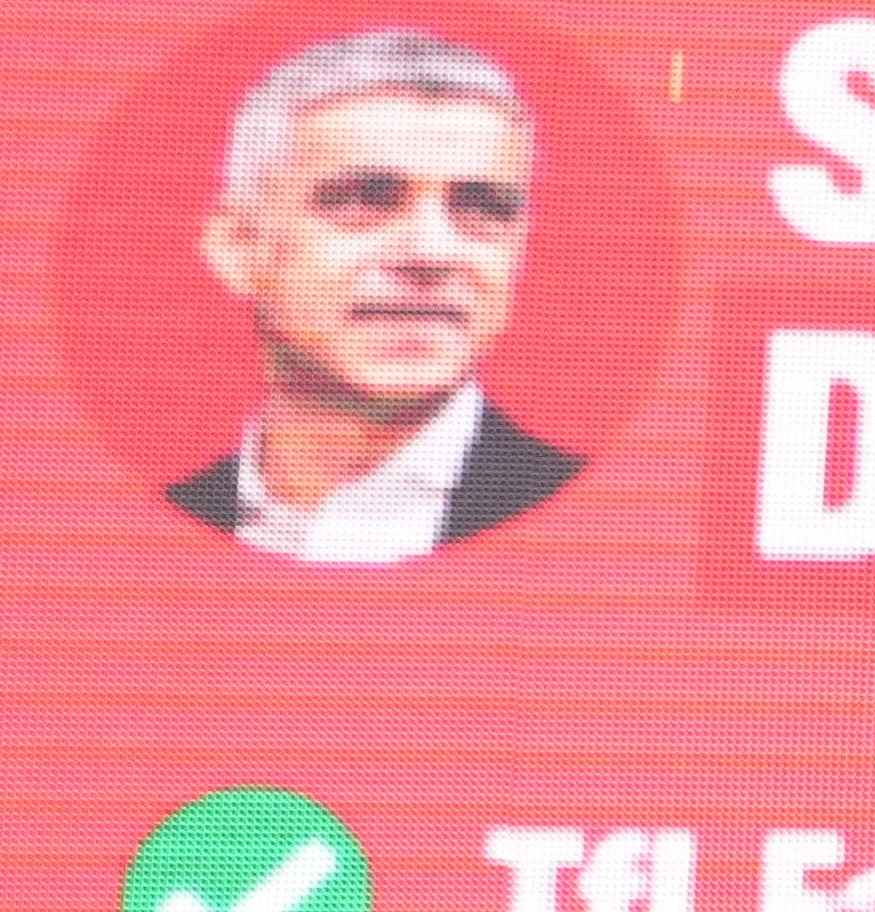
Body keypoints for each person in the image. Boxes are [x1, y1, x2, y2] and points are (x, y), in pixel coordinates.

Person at [167, 29, 581, 562]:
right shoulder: (142, 532)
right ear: (239, 248)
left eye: (482, 209)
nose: (430, 254)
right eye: (366, 200)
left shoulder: (595, 530)